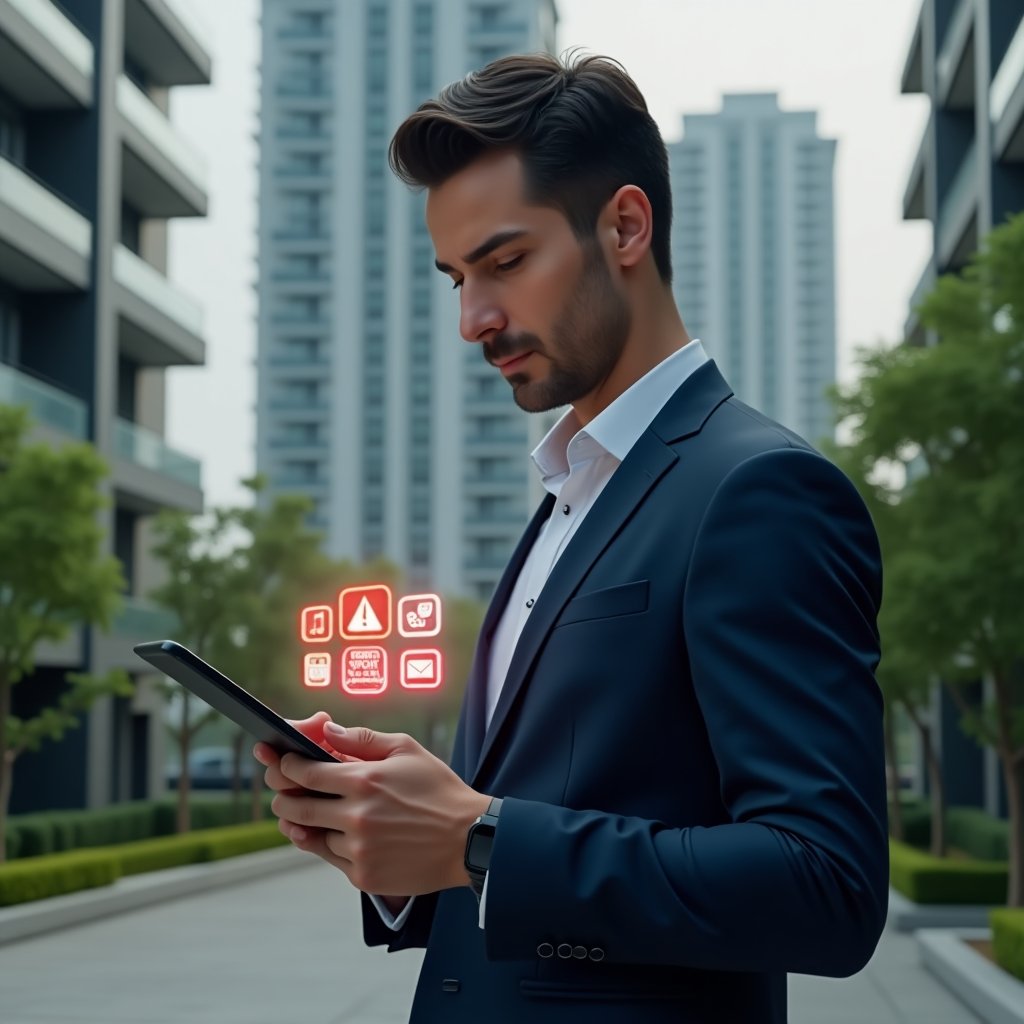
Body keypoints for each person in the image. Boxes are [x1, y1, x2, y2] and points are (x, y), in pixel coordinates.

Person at [254, 52, 888, 1023]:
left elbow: (825, 885)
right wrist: (396, 844)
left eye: (505, 262)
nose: (473, 319)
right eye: (456, 277)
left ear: (624, 226)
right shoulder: (567, 494)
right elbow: (538, 839)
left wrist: (479, 836)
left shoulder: (759, 489)